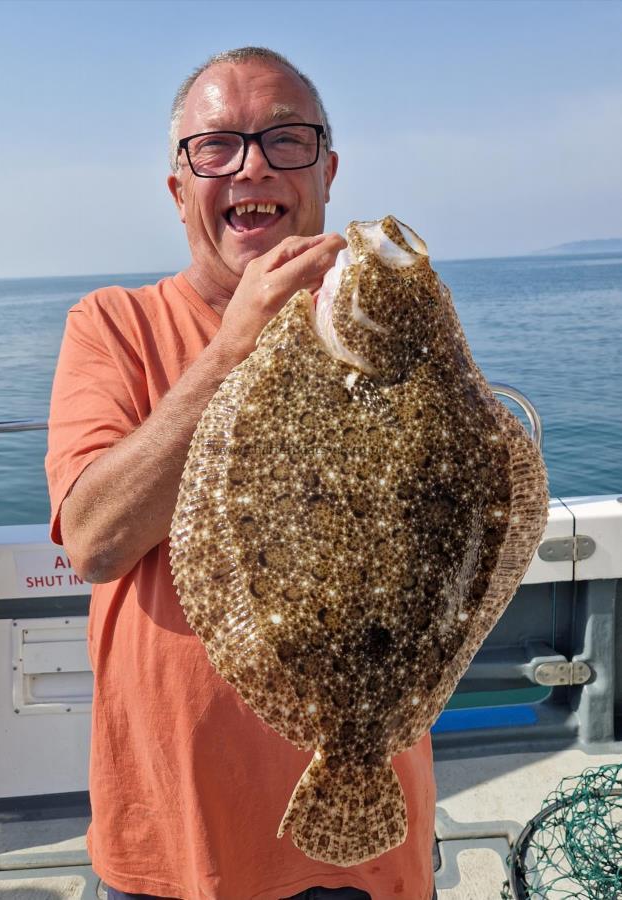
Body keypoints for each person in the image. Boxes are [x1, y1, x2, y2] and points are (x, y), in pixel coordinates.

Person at [46, 47, 437, 900]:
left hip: (375, 849)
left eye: (286, 139)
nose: (252, 164)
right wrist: (234, 349)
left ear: (327, 172)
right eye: (215, 147)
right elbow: (96, 539)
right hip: (174, 848)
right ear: (179, 186)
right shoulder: (113, 326)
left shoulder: (392, 341)